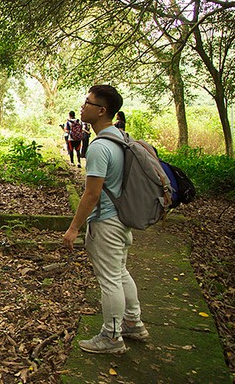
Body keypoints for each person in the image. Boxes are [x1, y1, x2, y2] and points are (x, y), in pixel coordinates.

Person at [62, 85, 148, 354]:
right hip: (122, 219)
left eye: (88, 102)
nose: (83, 106)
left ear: (101, 111)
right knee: (120, 273)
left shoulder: (100, 147)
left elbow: (91, 194)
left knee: (109, 279)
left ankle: (112, 337)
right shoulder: (121, 138)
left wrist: (74, 228)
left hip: (107, 222)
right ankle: (132, 322)